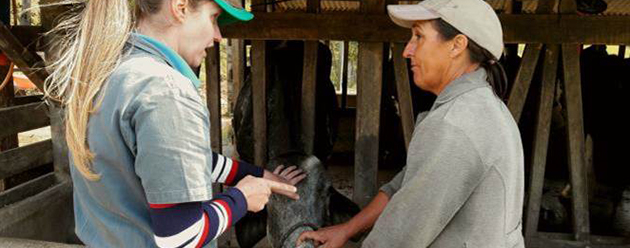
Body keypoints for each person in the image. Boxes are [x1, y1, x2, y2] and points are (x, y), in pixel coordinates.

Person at [43, 0, 306, 247]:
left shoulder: (111, 72)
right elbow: (181, 237)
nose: (218, 36)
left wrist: (260, 175)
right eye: (213, 18)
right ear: (179, 7)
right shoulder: (166, 91)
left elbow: (177, 163)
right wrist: (243, 198)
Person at [298, 0, 525, 247]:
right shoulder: (484, 106)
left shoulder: (454, 125)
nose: (407, 50)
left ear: (457, 45)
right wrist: (347, 229)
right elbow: (406, 185)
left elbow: (399, 237)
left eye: (419, 36)